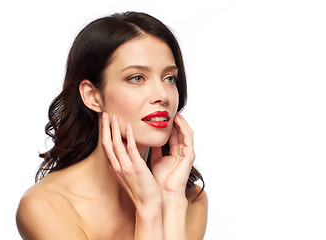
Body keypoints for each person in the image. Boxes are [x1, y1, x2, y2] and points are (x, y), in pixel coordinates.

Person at [16, 11, 208, 240]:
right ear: (92, 96)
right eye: (137, 78)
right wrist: (148, 210)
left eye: (169, 78)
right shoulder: (46, 207)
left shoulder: (189, 199)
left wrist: (170, 199)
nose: (162, 95)